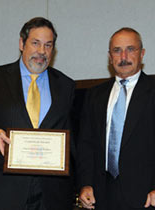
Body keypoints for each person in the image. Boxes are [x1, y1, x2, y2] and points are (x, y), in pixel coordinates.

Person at [0, 17, 75, 210]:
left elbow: (72, 138)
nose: (42, 51)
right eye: (35, 43)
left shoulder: (66, 85)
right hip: (5, 190)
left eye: (48, 45)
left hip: (52, 194)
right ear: (21, 44)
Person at [77, 27, 155, 210]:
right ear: (110, 56)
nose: (123, 56)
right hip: (101, 197)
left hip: (147, 198)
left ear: (142, 54)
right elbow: (85, 144)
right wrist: (85, 184)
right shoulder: (94, 96)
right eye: (117, 50)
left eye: (131, 49)